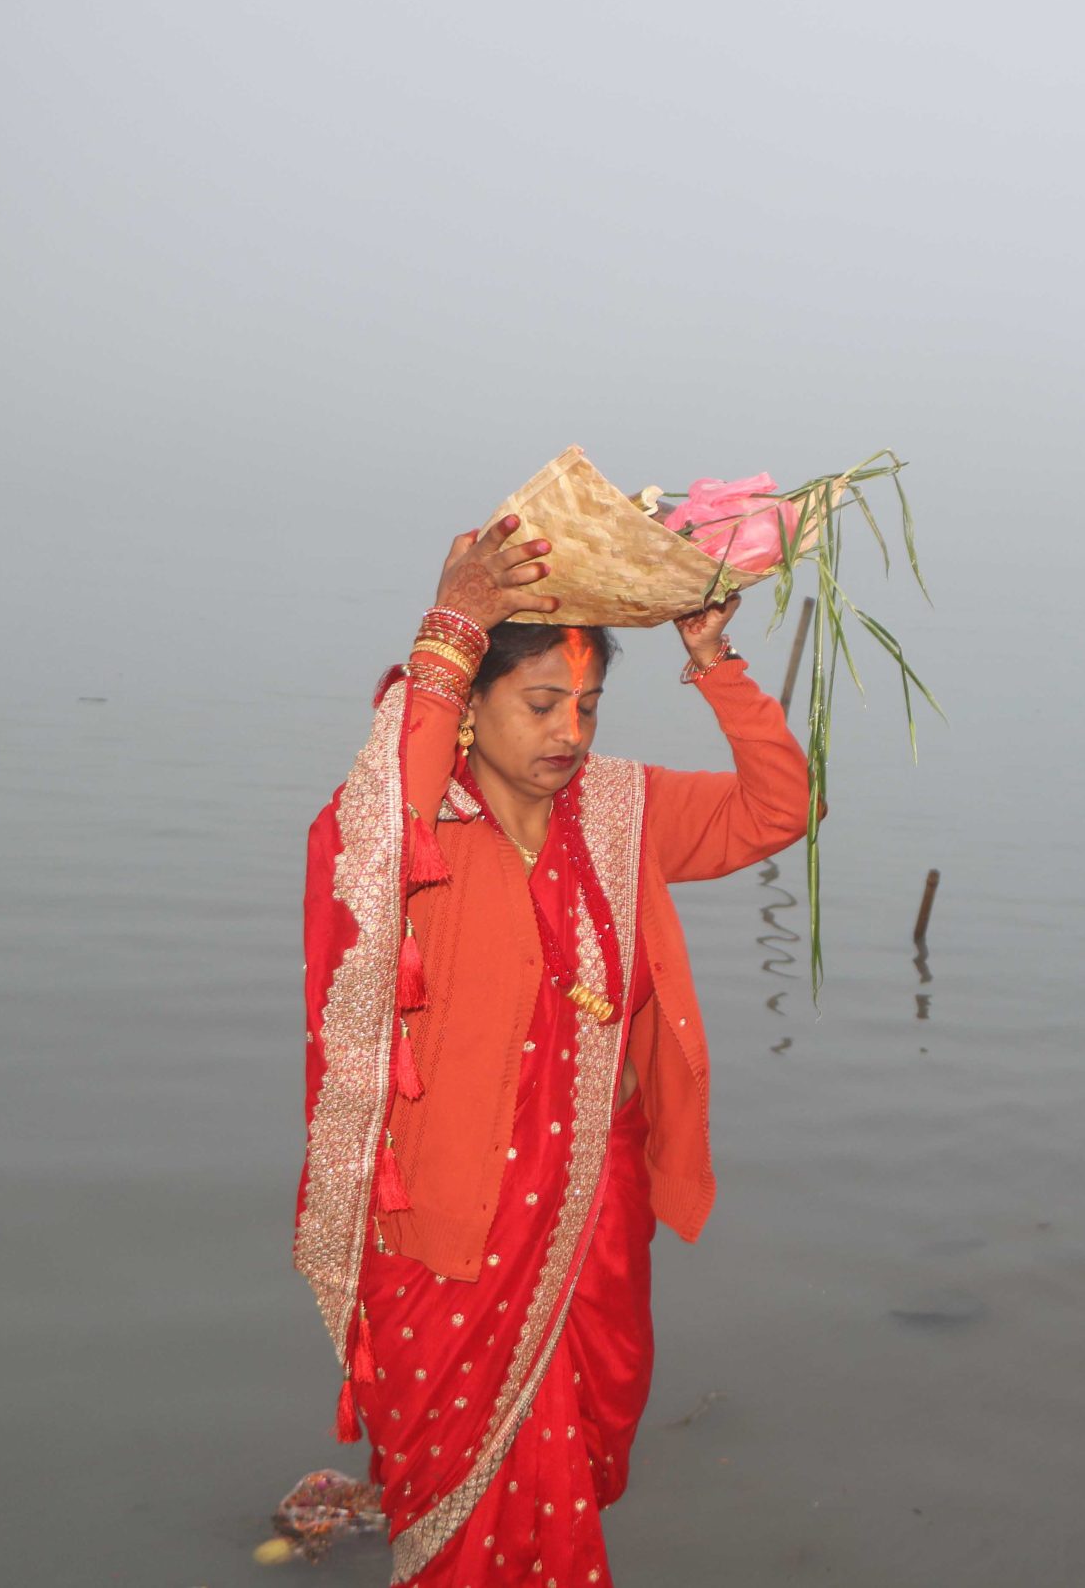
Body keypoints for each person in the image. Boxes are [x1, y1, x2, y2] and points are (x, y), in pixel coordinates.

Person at [295, 518, 815, 1585]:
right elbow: (374, 816)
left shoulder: (621, 812)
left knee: (568, 1466)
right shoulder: (411, 836)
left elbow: (778, 807)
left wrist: (714, 661)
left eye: (587, 705)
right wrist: (451, 628)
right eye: (539, 704)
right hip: (448, 1232)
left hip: (589, 1219)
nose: (568, 732)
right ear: (469, 706)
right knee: (455, 1516)